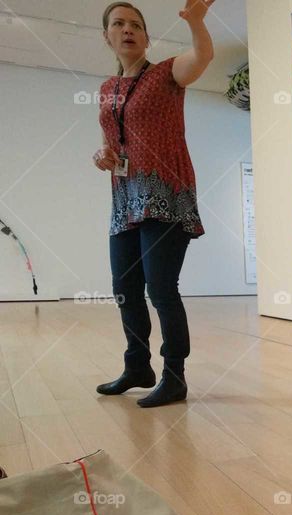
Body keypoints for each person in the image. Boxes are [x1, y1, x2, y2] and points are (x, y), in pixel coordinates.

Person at [93, 1, 216, 408]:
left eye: (136, 25)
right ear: (106, 35)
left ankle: (175, 376)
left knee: (161, 288)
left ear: (146, 37)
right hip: (124, 200)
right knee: (124, 288)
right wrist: (102, 155)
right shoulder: (107, 89)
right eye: (118, 24)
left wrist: (196, 22)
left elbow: (201, 58)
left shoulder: (166, 73)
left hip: (165, 194)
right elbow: (114, 141)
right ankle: (137, 367)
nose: (127, 29)